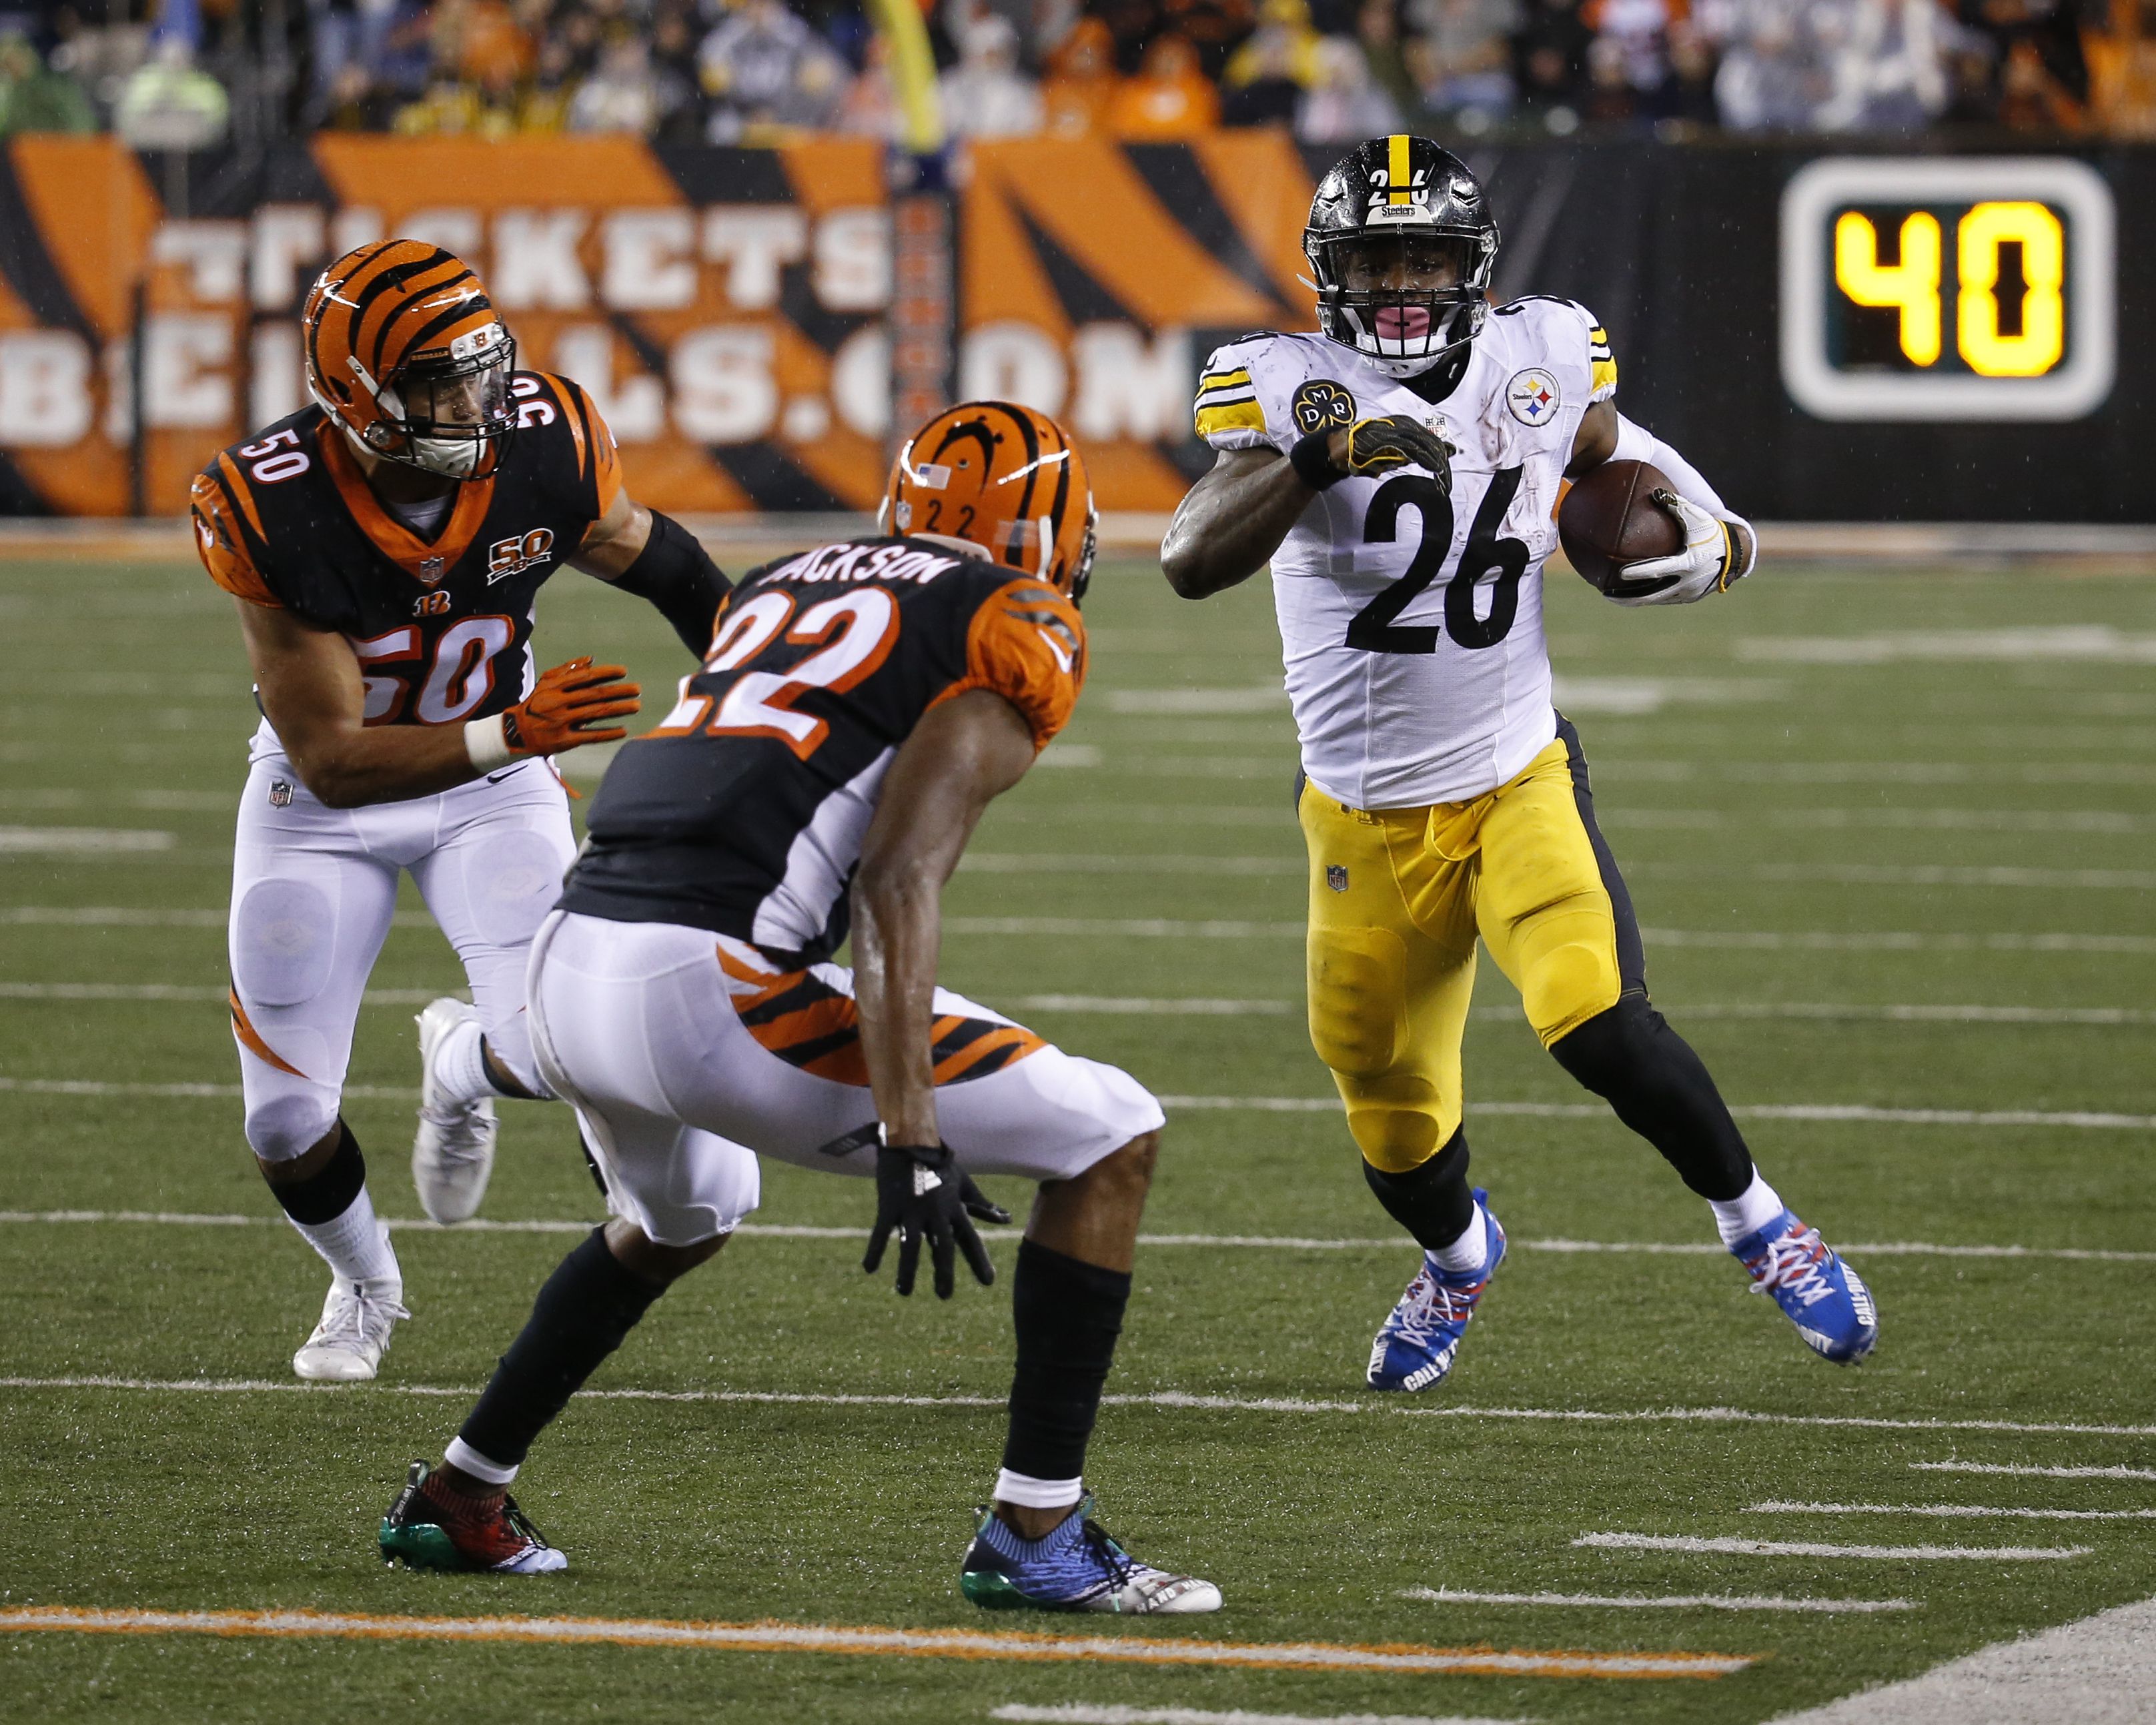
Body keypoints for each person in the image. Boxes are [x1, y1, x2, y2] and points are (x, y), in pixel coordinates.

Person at [376, 402, 1221, 1617]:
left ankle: (458, 1496)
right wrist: (912, 1129)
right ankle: (1037, 1526)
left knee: (686, 1212)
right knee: (1112, 1133)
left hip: (570, 962)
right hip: (708, 988)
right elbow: (895, 879)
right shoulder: (1014, 616)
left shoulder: (786, 580)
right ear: (1048, 531)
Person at [1159, 136, 1878, 1395]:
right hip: (1362, 817)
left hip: (1512, 771)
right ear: (1328, 273)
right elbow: (1187, 555)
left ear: (1473, 268)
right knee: (1384, 1104)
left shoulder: (1537, 354)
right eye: (1375, 261)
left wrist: (1721, 533)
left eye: (1424, 260)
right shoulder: (1281, 384)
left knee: (1593, 1015)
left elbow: (1612, 445)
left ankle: (1765, 1225)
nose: (1398, 288)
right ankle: (1459, 1253)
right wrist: (1321, 458)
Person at [189, 239, 731, 1383]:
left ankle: (458, 1064)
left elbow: (663, 564)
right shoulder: (267, 505)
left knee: (564, 1048)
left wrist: (756, 694)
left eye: (484, 367)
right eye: (439, 379)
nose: (477, 401)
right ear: (354, 397)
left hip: (493, 791)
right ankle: (364, 1282)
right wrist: (515, 730)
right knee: (284, 1123)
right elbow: (335, 760)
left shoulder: (546, 444)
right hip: (322, 805)